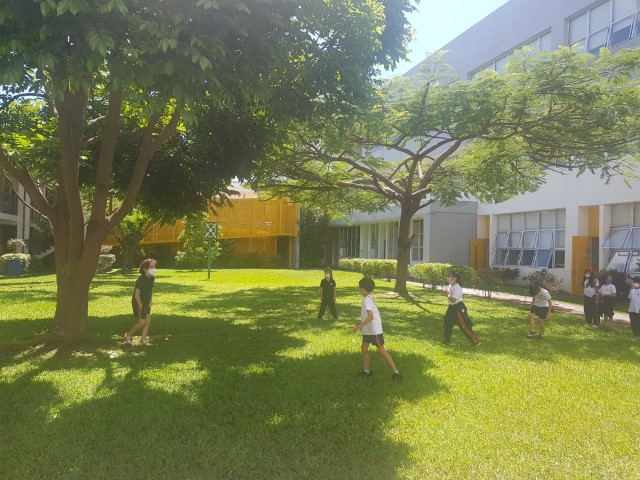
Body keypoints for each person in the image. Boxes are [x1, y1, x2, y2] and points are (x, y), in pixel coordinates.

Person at [352, 277, 401, 380]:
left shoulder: (367, 300)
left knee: (381, 350)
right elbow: (369, 316)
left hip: (374, 331)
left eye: (359, 287)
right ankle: (366, 371)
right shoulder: (369, 298)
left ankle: (396, 372)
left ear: (363, 289)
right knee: (364, 348)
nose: (358, 289)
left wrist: (360, 326)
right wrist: (361, 322)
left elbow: (371, 317)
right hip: (368, 330)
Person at [440, 270, 480, 346]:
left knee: (464, 326)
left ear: (455, 278)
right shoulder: (450, 285)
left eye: (449, 276)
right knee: (447, 323)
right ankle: (446, 341)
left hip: (458, 308)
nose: (448, 278)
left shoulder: (457, 288)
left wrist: (447, 294)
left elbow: (453, 300)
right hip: (451, 308)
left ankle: (475, 342)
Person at [124, 258, 157, 346]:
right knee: (142, 322)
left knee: (148, 320)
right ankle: (128, 335)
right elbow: (136, 295)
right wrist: (140, 305)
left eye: (154, 267)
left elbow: (150, 291)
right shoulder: (140, 279)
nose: (154, 269)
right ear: (145, 269)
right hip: (138, 303)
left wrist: (150, 301)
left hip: (146, 303)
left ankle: (143, 340)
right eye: (151, 267)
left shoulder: (152, 279)